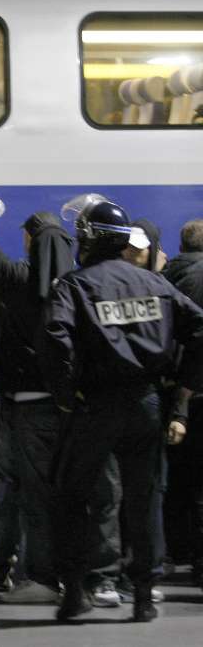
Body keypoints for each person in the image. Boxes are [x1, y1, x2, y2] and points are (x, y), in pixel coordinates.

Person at [38, 198, 203, 623]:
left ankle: (76, 592)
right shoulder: (155, 283)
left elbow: (56, 337)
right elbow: (199, 327)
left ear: (89, 240)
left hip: (93, 405)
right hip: (146, 402)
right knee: (144, 501)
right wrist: (181, 388)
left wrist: (65, 392)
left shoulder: (74, 285)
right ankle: (144, 596)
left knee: (72, 496)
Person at [0, 212, 75, 603]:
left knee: (20, 491)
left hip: (18, 406)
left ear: (30, 241)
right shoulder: (76, 288)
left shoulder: (17, 282)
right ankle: (22, 569)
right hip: (55, 406)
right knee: (38, 491)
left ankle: (33, 575)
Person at [162, 219, 203, 588]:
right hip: (196, 388)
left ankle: (176, 550)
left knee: (175, 479)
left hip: (164, 390)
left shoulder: (163, 277)